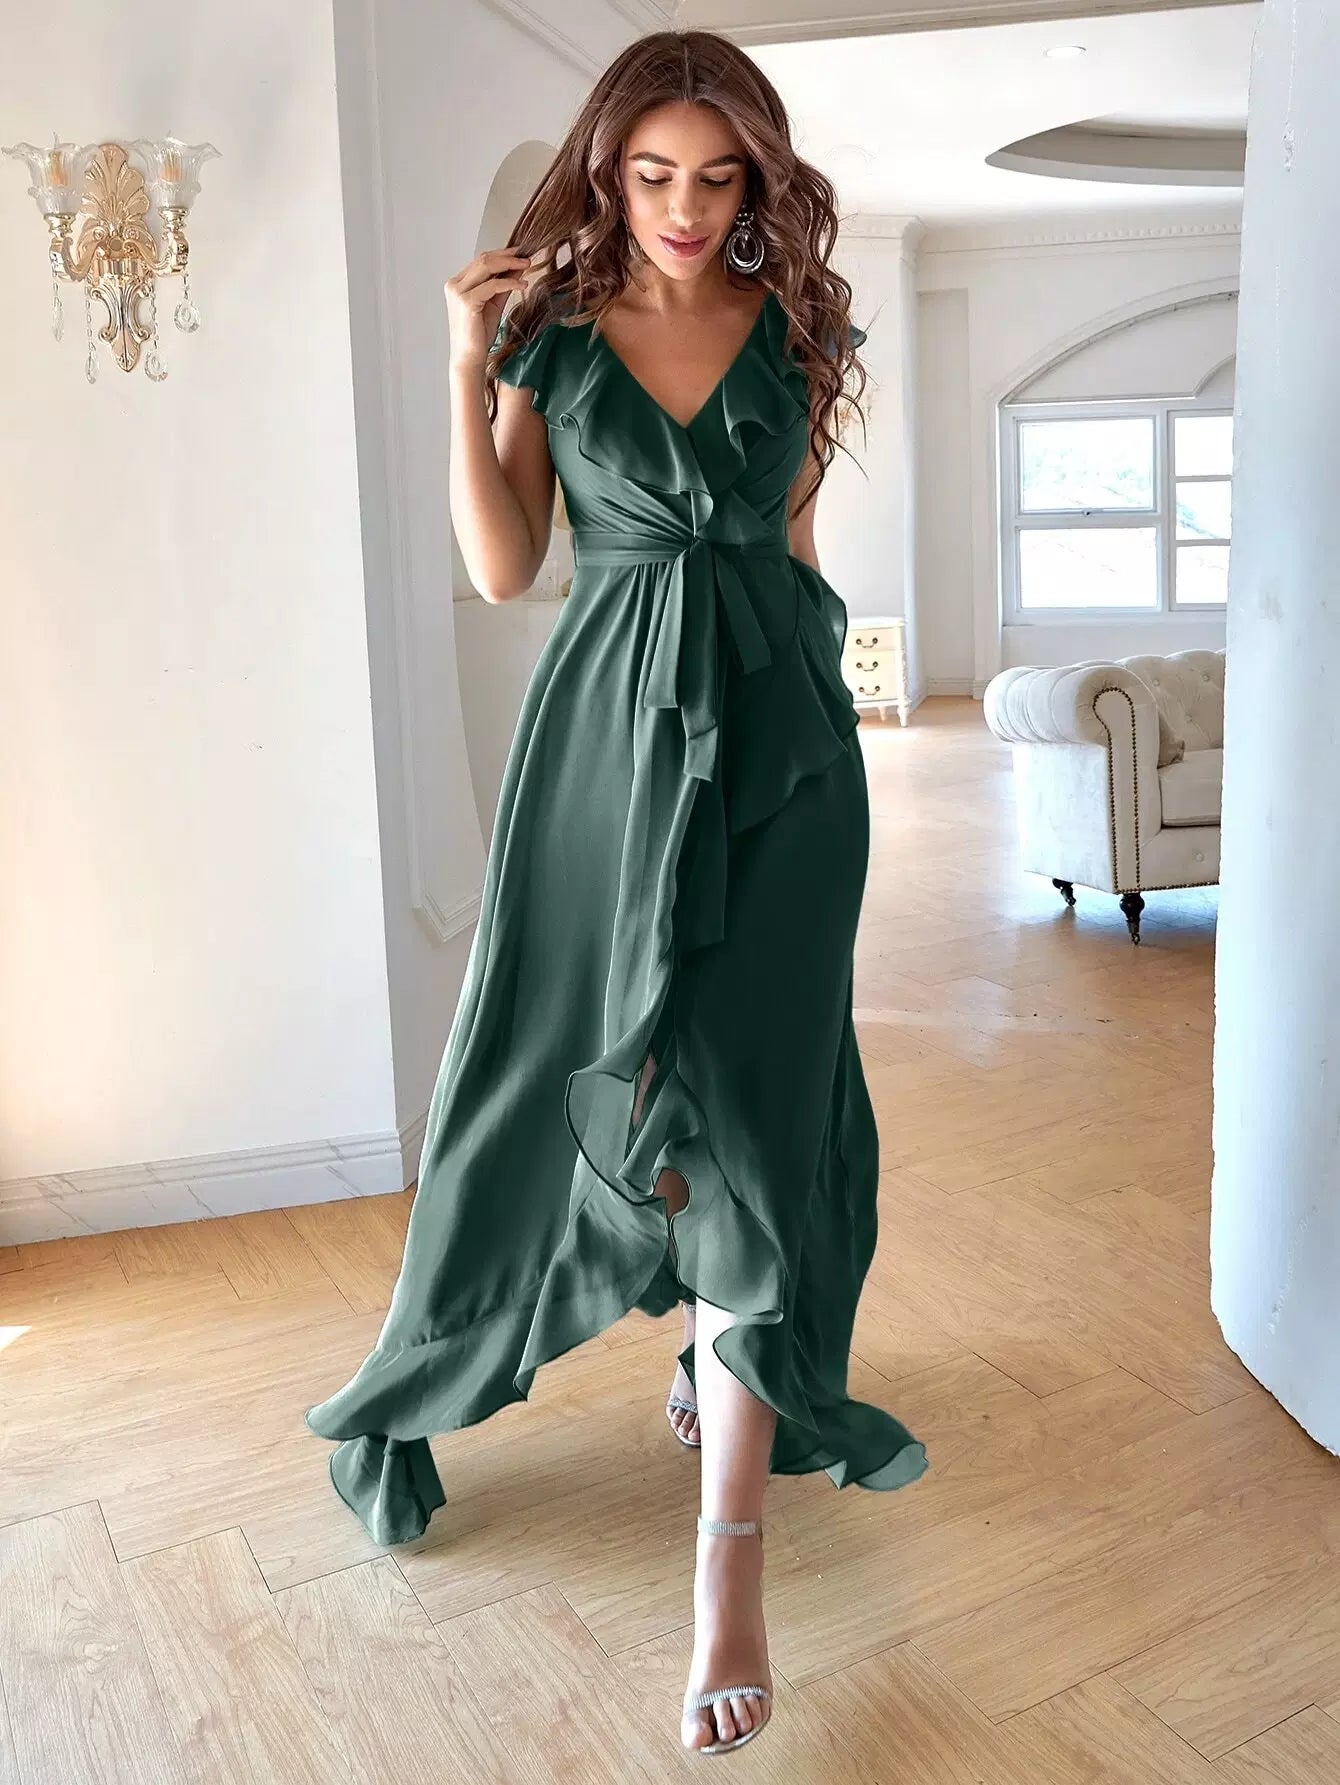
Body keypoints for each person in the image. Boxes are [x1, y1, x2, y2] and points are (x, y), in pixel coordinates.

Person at [305, 26, 928, 1758]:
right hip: (603, 755)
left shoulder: (800, 331)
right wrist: (462, 364)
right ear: (606, 170)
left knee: (760, 1117)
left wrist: (826, 732)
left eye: (718, 177)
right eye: (652, 173)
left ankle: (730, 1565)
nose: (683, 206)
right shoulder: (552, 338)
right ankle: (544, 1338)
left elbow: (793, 552)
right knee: (559, 1071)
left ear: (758, 183)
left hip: (786, 768)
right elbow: (508, 565)